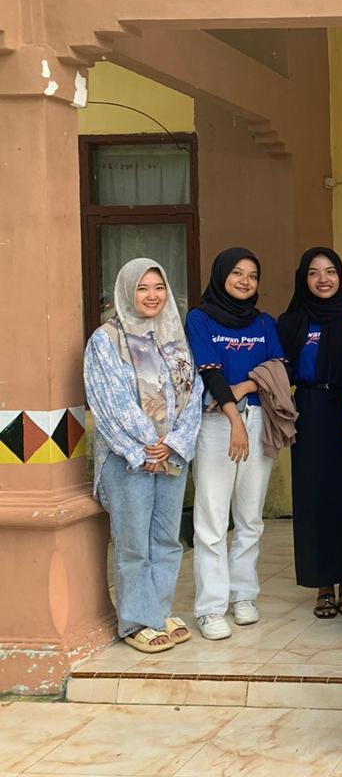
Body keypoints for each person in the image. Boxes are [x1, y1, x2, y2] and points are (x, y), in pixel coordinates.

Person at [84, 259, 204, 654]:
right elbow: (109, 401)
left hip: (171, 454)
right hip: (128, 457)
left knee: (167, 538)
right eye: (142, 288)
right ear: (126, 291)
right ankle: (136, 621)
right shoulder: (106, 339)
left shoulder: (174, 335)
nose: (152, 296)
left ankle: (158, 611)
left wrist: (173, 443)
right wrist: (147, 446)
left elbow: (194, 393)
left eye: (158, 287)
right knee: (133, 541)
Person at [186, 248, 287, 640]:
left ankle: (243, 595)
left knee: (250, 517)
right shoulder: (200, 318)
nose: (245, 281)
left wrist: (245, 386)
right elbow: (209, 371)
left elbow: (280, 368)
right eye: (237, 273)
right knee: (211, 519)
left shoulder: (264, 322)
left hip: (258, 419)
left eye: (253, 275)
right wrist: (234, 419)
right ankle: (211, 608)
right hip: (216, 423)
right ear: (221, 276)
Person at [277, 248, 342, 620]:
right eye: (314, 273)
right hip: (310, 411)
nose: (323, 279)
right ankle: (323, 585)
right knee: (314, 498)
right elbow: (278, 370)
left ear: (340, 275)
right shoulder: (291, 322)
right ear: (304, 278)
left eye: (330, 271)